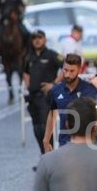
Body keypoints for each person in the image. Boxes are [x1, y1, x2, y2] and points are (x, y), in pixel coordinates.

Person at [43, 54, 97, 152]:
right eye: (65, 70)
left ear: (79, 70)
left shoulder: (89, 89)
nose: (68, 74)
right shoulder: (56, 90)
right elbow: (52, 115)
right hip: (65, 144)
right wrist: (46, 140)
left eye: (72, 71)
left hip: (89, 145)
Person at [23, 29, 64, 161]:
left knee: (45, 127)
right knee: (36, 129)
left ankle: (50, 157)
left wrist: (54, 84)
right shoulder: (29, 56)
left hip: (45, 98)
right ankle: (44, 155)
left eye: (39, 37)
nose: (37, 40)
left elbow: (65, 67)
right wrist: (27, 82)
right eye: (34, 38)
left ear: (45, 39)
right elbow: (25, 71)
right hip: (33, 97)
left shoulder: (51, 55)